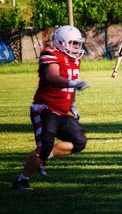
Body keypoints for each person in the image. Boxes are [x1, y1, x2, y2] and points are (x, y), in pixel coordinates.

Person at [13, 25, 90, 190]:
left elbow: (71, 85)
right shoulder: (50, 54)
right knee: (43, 145)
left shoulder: (75, 59)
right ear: (62, 43)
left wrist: (73, 105)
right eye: (74, 43)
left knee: (79, 142)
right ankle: (21, 180)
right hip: (45, 109)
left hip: (62, 112)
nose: (77, 47)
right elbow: (53, 77)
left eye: (78, 43)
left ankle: (46, 156)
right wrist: (72, 83)